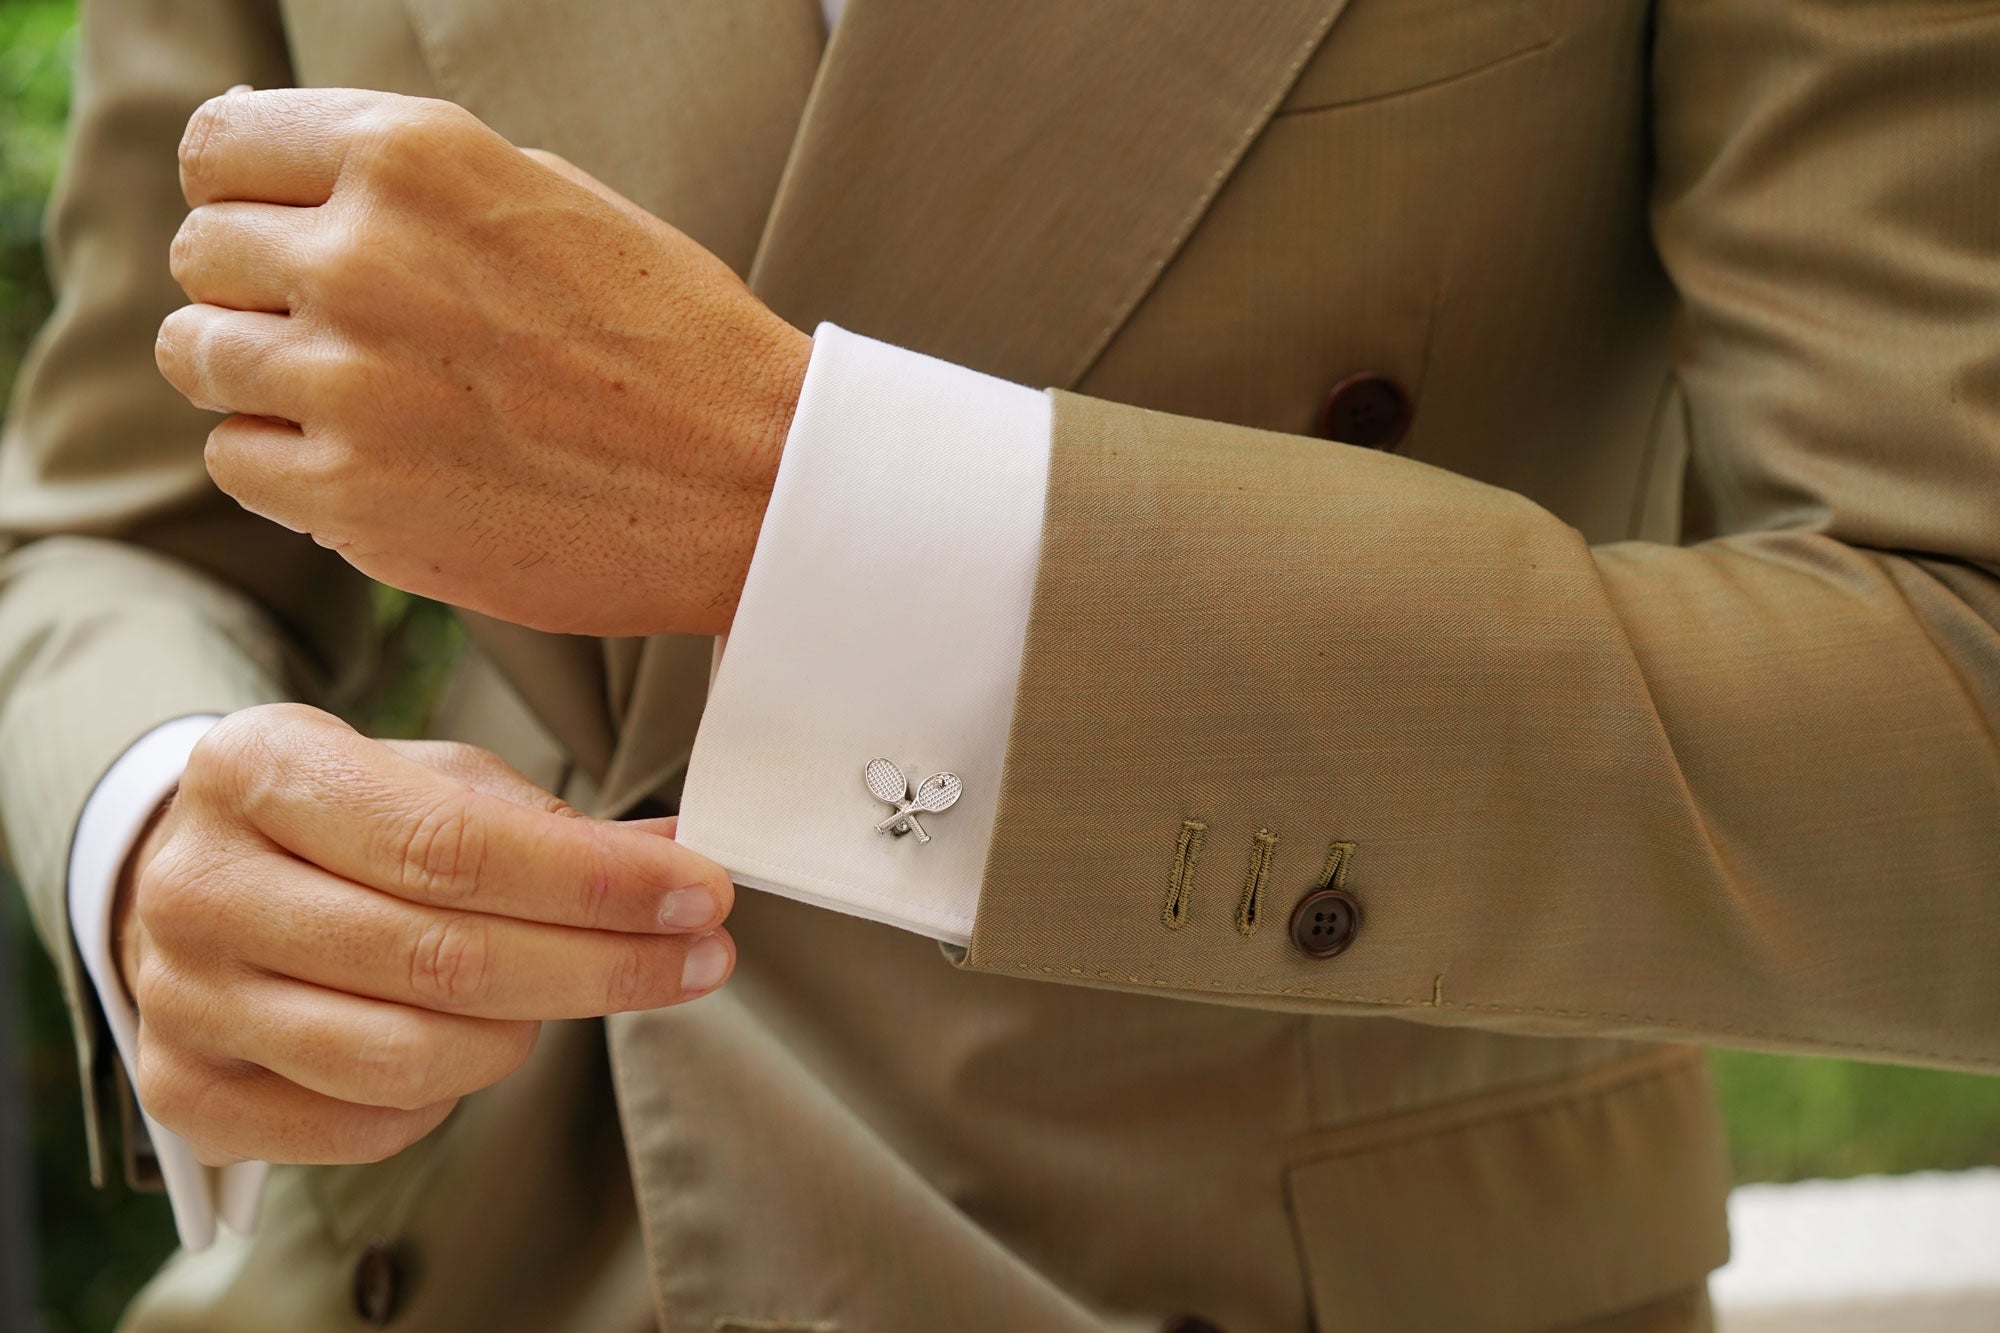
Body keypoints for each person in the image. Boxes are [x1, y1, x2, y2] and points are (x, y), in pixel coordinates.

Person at [4, 0, 1996, 1329]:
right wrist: (162, 817)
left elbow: (1956, 719)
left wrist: (828, 508)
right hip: (443, 1252)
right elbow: (100, 508)